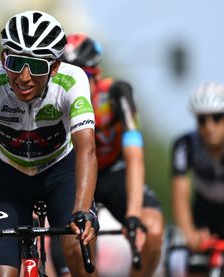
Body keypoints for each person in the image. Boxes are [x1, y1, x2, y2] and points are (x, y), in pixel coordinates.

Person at [0, 10, 99, 277]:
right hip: (9, 181)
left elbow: (86, 149)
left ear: (54, 67)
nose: (24, 77)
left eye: (37, 66)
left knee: (76, 247)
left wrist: (81, 210)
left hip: (61, 174)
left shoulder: (73, 80)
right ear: (3, 58)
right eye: (16, 63)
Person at [50, 33, 164, 277]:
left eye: (81, 78)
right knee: (74, 253)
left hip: (113, 174)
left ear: (96, 75)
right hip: (73, 176)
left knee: (152, 229)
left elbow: (134, 155)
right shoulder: (53, 101)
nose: (74, 86)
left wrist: (133, 213)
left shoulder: (116, 94)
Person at [170, 82, 224, 276]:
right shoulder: (185, 145)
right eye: (202, 119)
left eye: (217, 118)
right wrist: (190, 233)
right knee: (192, 265)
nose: (209, 126)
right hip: (203, 212)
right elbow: (179, 195)